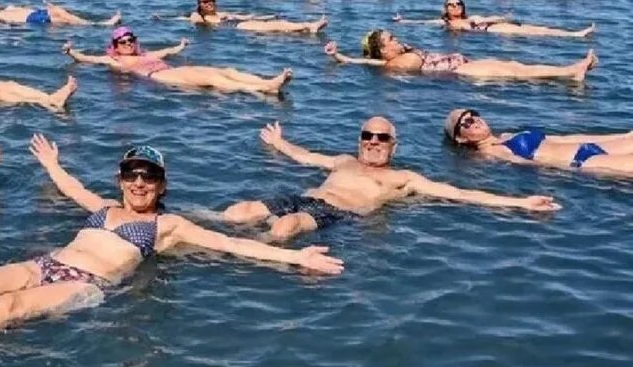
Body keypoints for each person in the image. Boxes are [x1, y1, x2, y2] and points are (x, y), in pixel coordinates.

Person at [0, 134, 343, 356]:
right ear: (121, 179)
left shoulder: (170, 227)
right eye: (132, 175)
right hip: (48, 263)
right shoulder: (105, 207)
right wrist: (52, 165)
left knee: (11, 305)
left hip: (88, 284)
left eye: (149, 177)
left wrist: (295, 256)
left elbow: (236, 247)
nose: (140, 184)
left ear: (163, 185)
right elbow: (72, 189)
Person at [221, 118, 559, 241]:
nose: (373, 141)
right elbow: (305, 156)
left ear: (393, 147)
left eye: (381, 138)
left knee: (285, 226)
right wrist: (279, 143)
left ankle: (243, 255)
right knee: (240, 211)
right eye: (367, 135)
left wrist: (519, 202)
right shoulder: (344, 160)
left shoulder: (403, 178)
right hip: (304, 196)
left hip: (339, 215)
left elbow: (460, 193)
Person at [63, 26, 293, 95]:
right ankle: (262, 89)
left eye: (131, 40)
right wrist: (72, 53)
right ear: (115, 46)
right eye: (123, 42)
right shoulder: (114, 60)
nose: (128, 44)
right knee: (212, 79)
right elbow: (87, 59)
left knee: (226, 69)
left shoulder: (143, 54)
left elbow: (166, 52)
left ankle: (266, 83)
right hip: (159, 77)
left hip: (172, 70)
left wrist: (180, 46)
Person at [325, 30, 597, 82]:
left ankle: (570, 72)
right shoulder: (392, 64)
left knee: (515, 66)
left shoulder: (398, 57)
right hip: (461, 74)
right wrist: (342, 58)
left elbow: (367, 61)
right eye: (390, 39)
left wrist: (343, 57)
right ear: (383, 50)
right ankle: (571, 72)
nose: (396, 39)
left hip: (464, 67)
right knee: (515, 71)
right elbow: (367, 63)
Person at [444, 108, 633, 175]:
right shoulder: (490, 153)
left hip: (590, 147)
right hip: (583, 162)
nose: (475, 120)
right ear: (460, 138)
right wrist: (573, 172)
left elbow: (563, 138)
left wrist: (622, 136)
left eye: (475, 115)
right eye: (466, 122)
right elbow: (534, 165)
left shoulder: (508, 135)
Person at [394, 0, 594, 38]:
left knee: (536, 30)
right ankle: (574, 35)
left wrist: (503, 18)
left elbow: (491, 17)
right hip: (487, 33)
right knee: (533, 33)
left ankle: (574, 34)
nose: (454, 7)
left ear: (463, 7)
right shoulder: (443, 22)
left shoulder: (474, 17)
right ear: (445, 9)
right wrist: (403, 22)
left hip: (491, 29)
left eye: (457, 4)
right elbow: (422, 22)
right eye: (450, 5)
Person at [189, 0, 326, 34]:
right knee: (271, 28)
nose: (209, 3)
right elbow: (194, 20)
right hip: (233, 27)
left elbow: (247, 16)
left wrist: (266, 16)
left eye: (211, 0)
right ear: (199, 5)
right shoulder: (199, 16)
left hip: (240, 22)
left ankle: (307, 27)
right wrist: (197, 16)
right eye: (205, 2)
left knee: (276, 23)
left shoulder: (222, 13)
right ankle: (308, 26)